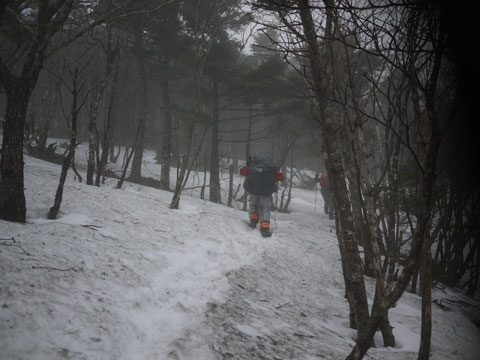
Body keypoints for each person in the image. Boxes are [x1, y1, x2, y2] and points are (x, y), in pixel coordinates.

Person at [240, 155, 285, 237]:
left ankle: (253, 220)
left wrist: (248, 165)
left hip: (253, 190)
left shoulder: (252, 166)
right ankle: (264, 227)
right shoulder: (271, 168)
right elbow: (281, 178)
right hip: (266, 192)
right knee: (265, 208)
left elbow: (242, 172)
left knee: (253, 204)